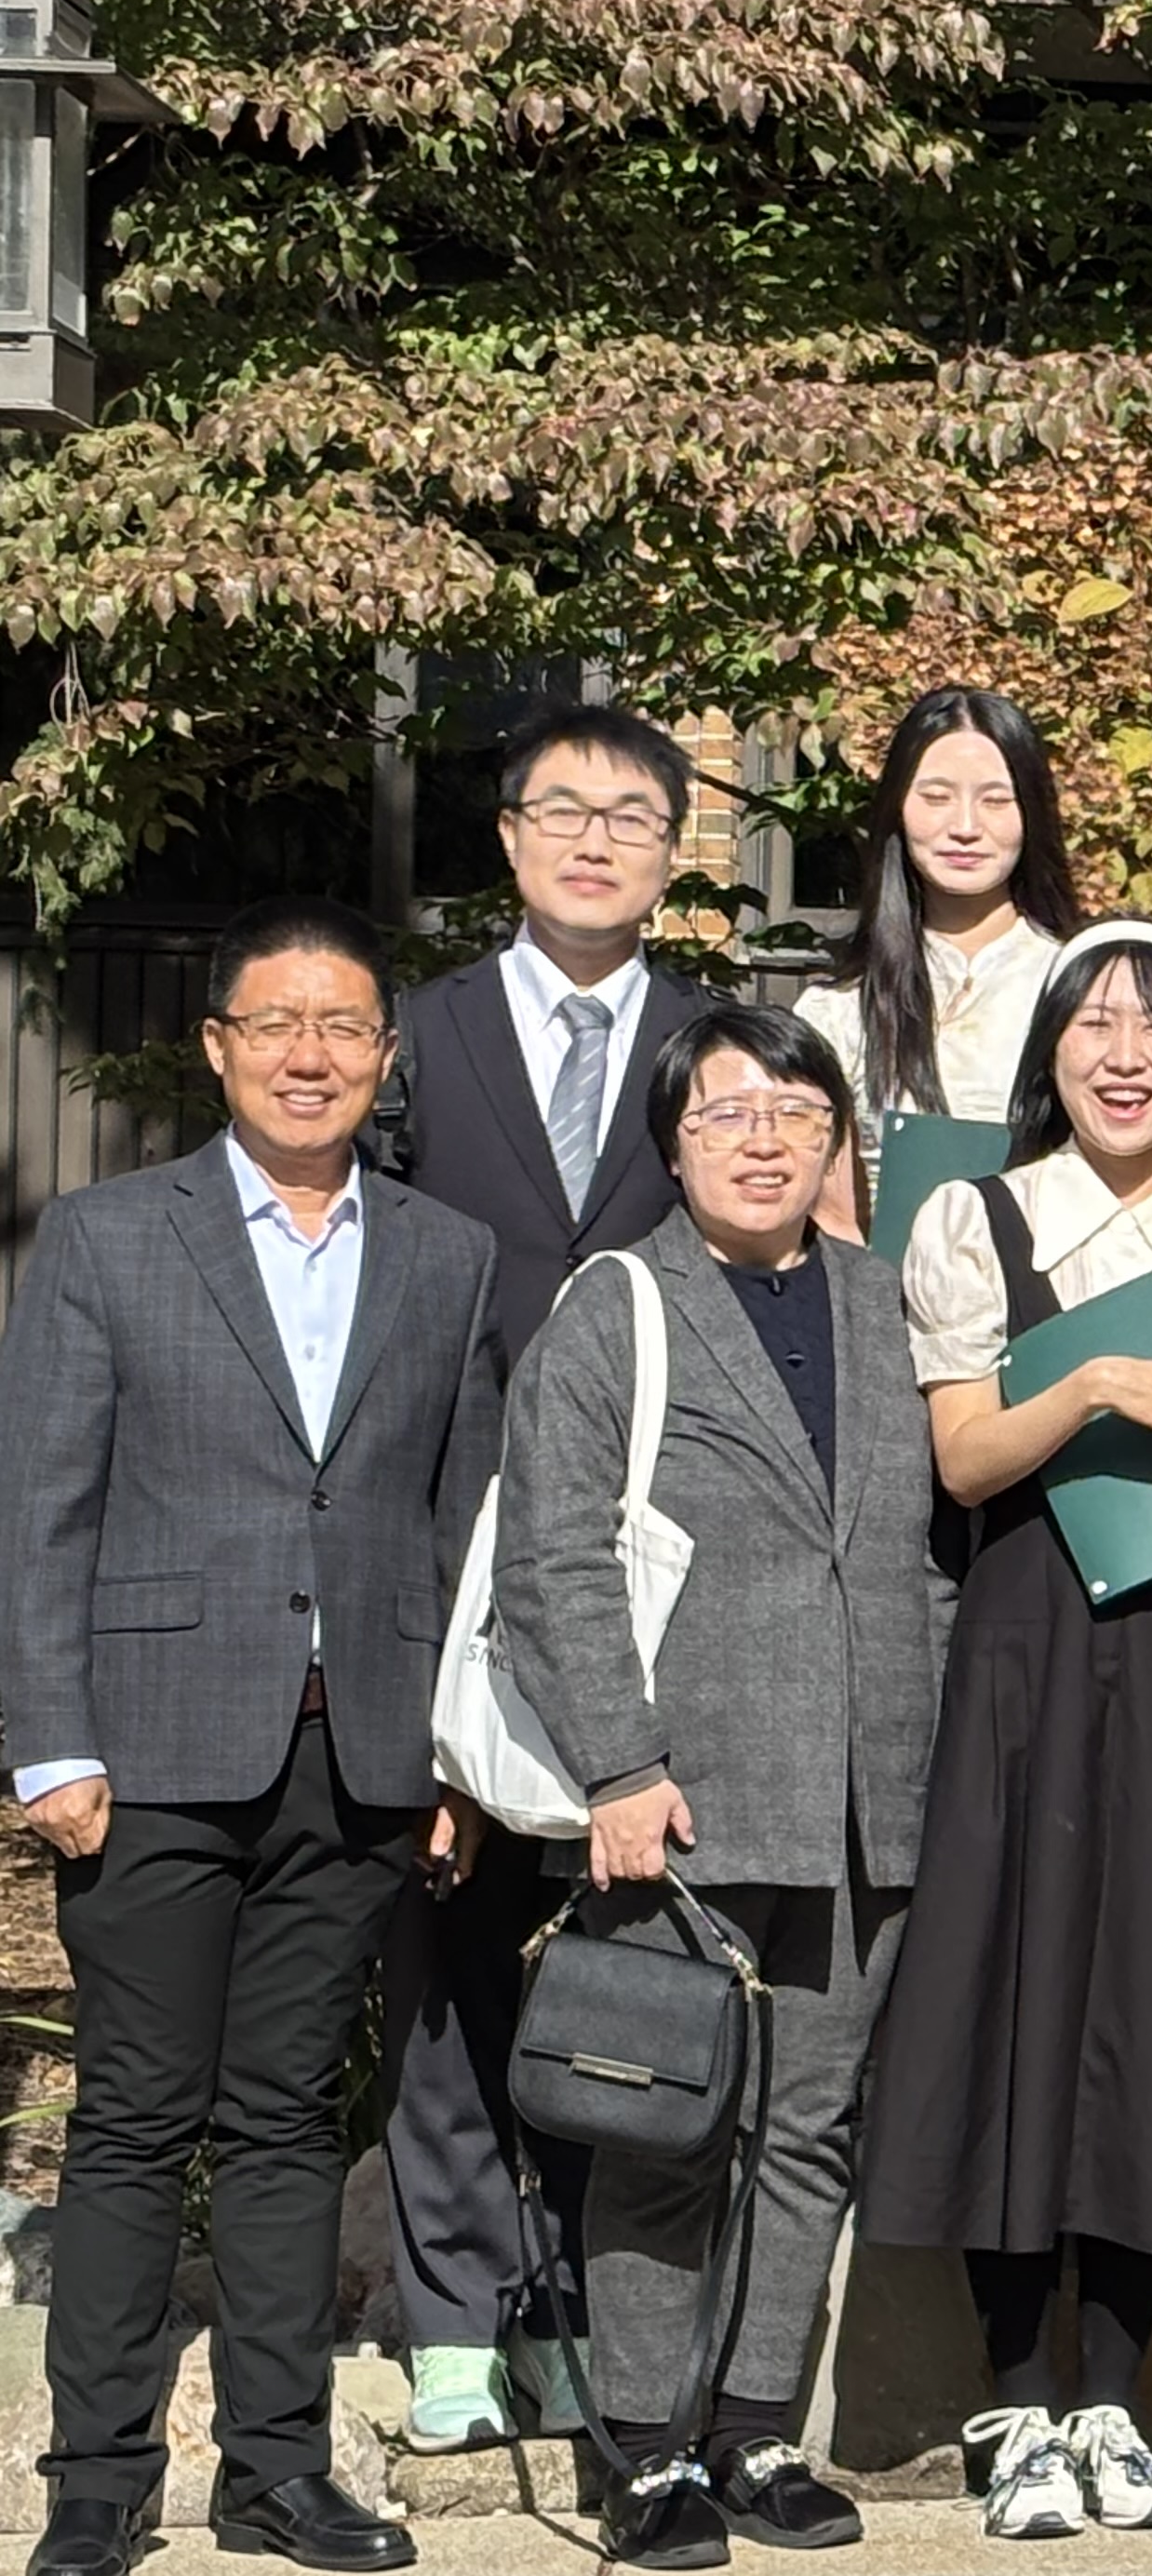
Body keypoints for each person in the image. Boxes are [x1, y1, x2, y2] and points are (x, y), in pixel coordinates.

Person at [3, 898, 500, 2576]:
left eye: (345, 1025)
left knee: (290, 2113)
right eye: (277, 1021)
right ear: (218, 1045)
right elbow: (41, 1502)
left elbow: (455, 1521)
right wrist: (42, 1740)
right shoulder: (107, 1234)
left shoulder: (445, 1255)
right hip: (143, 1748)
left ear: (382, 1057)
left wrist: (449, 1748)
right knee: (139, 2113)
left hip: (355, 1747)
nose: (310, 1052)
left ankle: (276, 2468)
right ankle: (97, 2482)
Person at [861, 921, 1152, 2541]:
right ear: (1049, 1049)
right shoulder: (975, 1216)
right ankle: (1011, 2396)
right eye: (1095, 1023)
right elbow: (969, 1460)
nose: (1127, 1052)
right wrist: (1101, 1385)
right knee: (1018, 1986)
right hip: (1031, 1644)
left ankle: (1117, 2396)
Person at [489, 1000, 938, 2570]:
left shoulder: (883, 1304)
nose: (762, 1134)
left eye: (792, 1111)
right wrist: (617, 1759)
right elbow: (552, 1554)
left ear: (834, 1143)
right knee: (664, 2126)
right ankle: (648, 2441)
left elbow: (917, 1557)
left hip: (863, 1796)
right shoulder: (620, 1303)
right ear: (675, 1141)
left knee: (808, 2124)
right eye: (727, 1109)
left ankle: (755, 2427)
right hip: (676, 1798)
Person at [375, 700, 706, 2459]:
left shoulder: (711, 1044)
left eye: (631, 814)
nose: (594, 838)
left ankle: (576, 2301)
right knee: (449, 1935)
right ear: (504, 837)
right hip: (444, 1539)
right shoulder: (415, 1040)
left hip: (644, 1560)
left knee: (615, 1945)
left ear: (673, 850)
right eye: (561, 810)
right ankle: (452, 2305)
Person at [794, 684, 1081, 1238]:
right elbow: (829, 1216)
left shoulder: (1081, 985)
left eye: (997, 800)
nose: (966, 826)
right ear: (897, 807)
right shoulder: (836, 1009)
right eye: (936, 796)